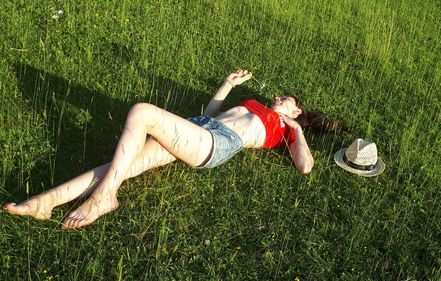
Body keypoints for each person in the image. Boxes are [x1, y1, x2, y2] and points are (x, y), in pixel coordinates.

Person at [3, 69, 345, 229]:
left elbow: (305, 167)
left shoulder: (286, 128)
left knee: (142, 112)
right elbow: (210, 114)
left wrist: (297, 129)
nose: (277, 98)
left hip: (216, 144)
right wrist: (228, 84)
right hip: (200, 126)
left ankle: (106, 197)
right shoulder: (257, 105)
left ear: (296, 109)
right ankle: (45, 202)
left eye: (285, 99)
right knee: (121, 164)